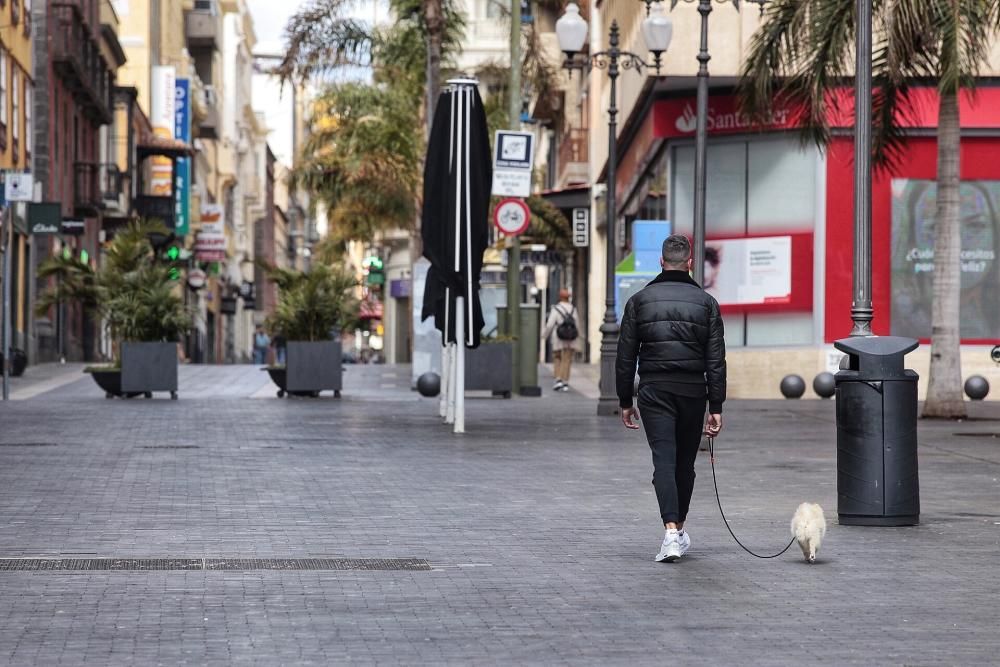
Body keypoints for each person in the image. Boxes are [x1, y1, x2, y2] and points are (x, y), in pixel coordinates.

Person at [616, 234, 727, 563]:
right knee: (684, 464)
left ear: (661, 262)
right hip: (693, 391)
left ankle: (670, 533)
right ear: (690, 263)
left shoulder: (639, 301)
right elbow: (716, 360)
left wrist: (625, 401)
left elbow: (626, 357)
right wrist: (716, 407)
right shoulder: (706, 303)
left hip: (654, 391)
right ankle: (678, 529)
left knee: (663, 458)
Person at [541, 288, 581, 392]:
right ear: (568, 298)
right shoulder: (573, 309)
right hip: (570, 339)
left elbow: (550, 324)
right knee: (567, 359)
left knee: (557, 357)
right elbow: (577, 325)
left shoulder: (556, 308)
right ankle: (565, 382)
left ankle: (558, 379)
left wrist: (544, 335)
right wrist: (578, 338)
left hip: (558, 337)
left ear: (560, 297)